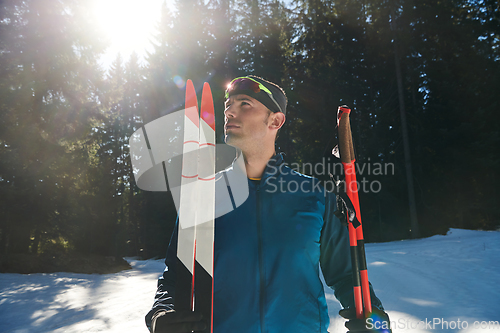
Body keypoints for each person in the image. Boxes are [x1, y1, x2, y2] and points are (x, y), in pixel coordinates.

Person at [145, 75, 391, 333]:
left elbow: (346, 275)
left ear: (276, 120)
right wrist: (160, 314)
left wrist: (375, 320)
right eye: (228, 105)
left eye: (245, 104)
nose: (229, 111)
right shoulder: (203, 196)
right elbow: (175, 276)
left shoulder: (314, 196)